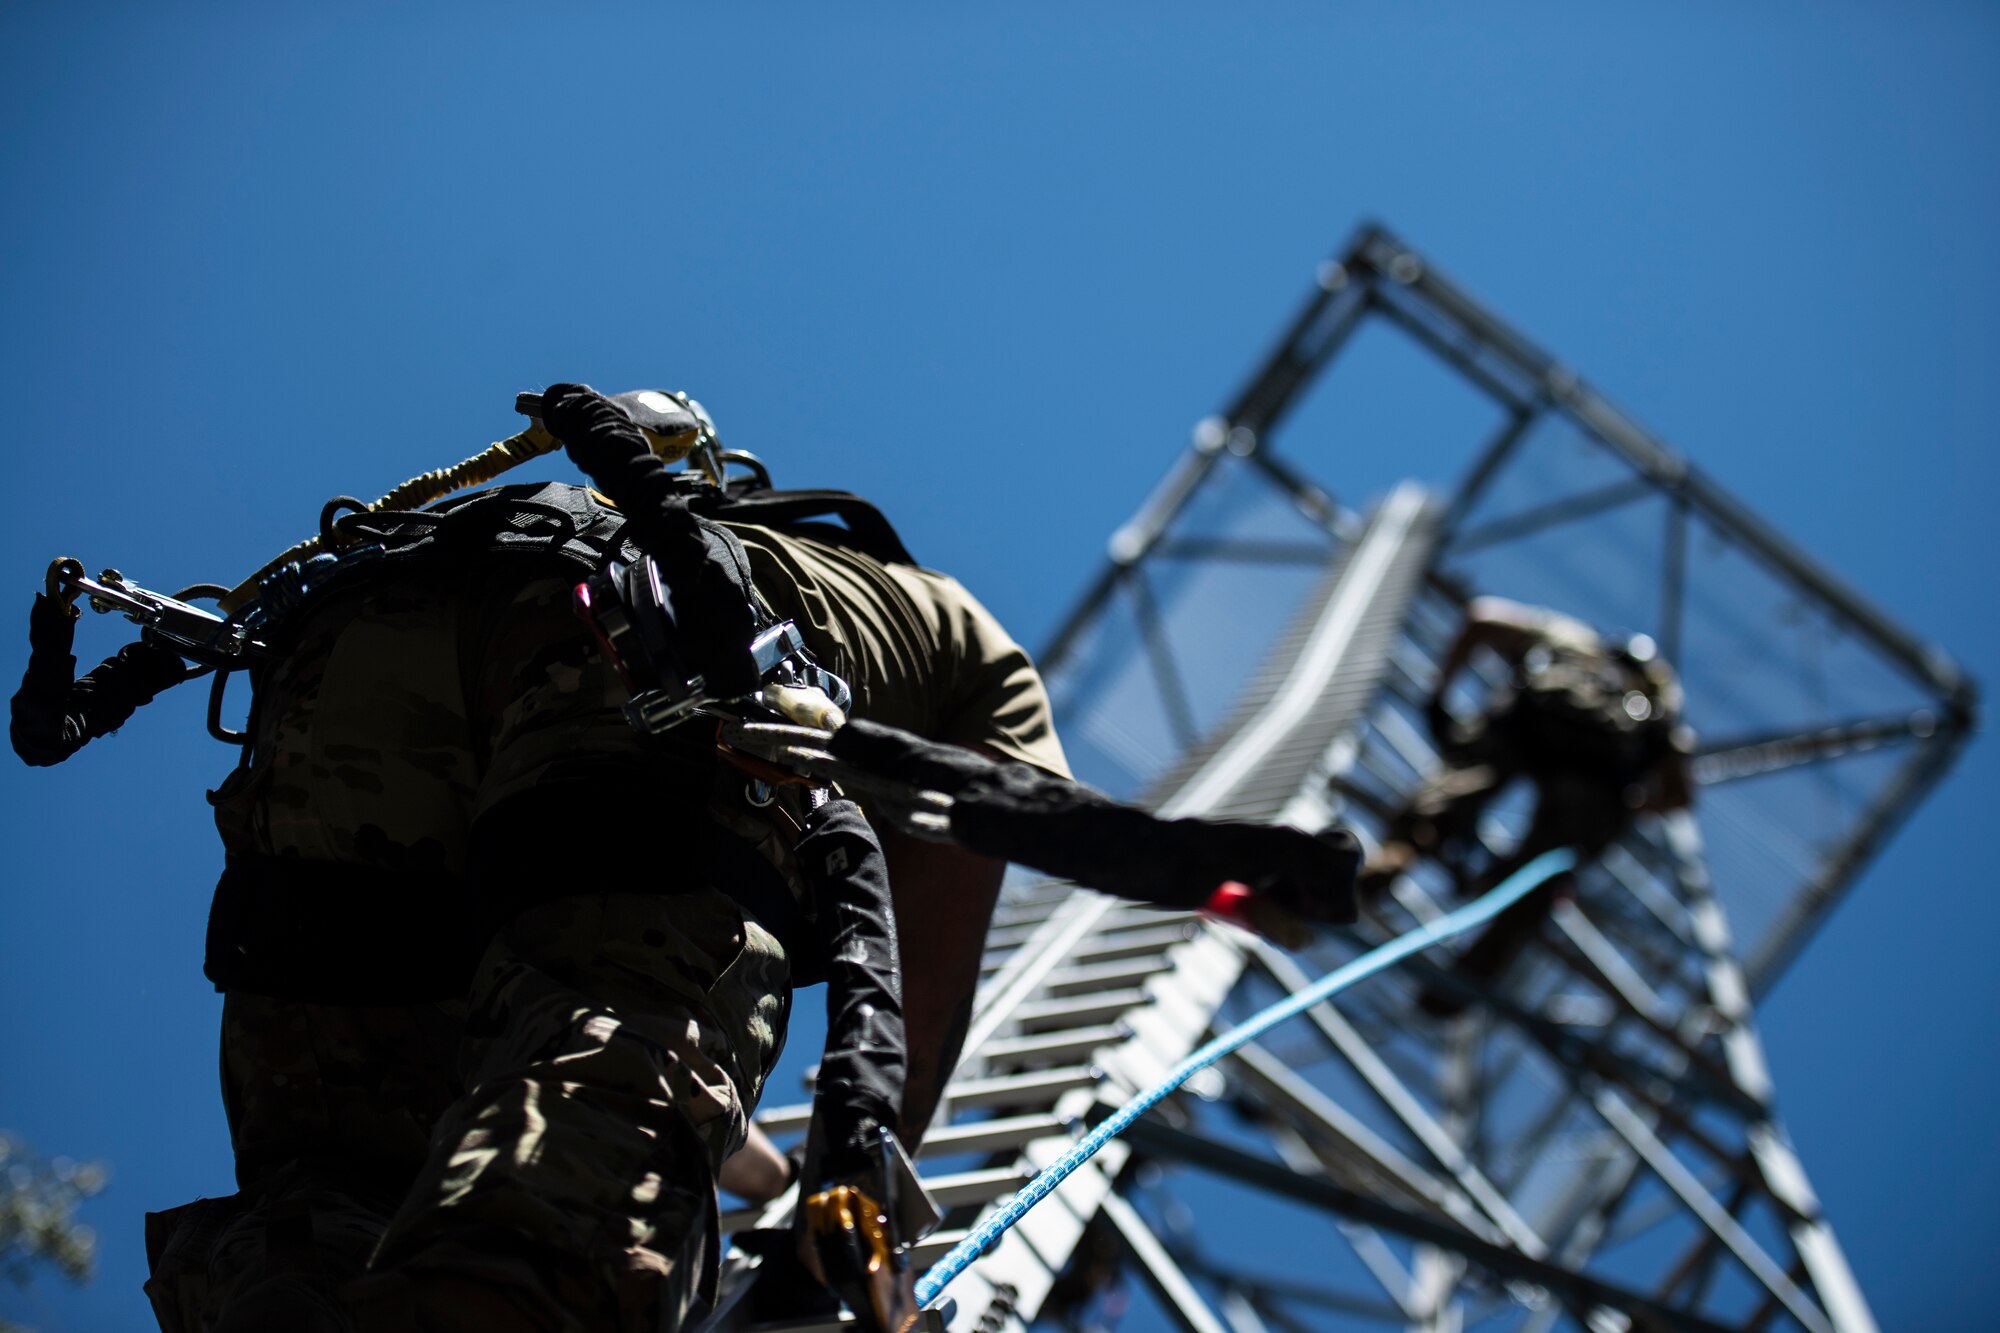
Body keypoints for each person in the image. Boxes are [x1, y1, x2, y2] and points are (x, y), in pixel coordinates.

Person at [17, 383, 1355, 1333]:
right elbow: (943, 920)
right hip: (621, 684)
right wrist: (861, 1201)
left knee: (335, 1179)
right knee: (601, 1078)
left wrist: (762, 1170)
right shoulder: (946, 629)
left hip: (352, 677)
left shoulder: (577, 517)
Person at [1362, 596, 1693, 1013]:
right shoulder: (1657, 710)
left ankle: (1394, 856)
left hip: (1532, 722)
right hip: (1595, 768)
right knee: (1543, 875)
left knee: (1459, 787)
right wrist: (1631, 805)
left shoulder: (1573, 641)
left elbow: (1481, 615)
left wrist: (1439, 693)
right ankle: (1469, 976)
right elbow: (1680, 794)